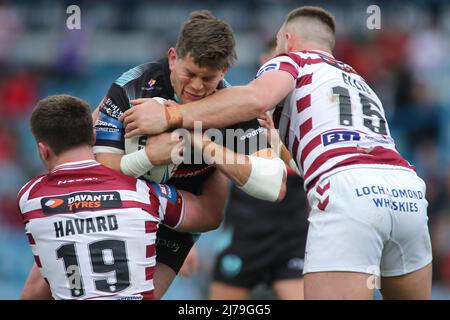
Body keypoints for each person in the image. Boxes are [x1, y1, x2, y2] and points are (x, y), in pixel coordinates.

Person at [120, 6, 433, 299]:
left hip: (347, 189)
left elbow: (255, 98)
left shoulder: (292, 60)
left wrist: (172, 117)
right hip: (406, 191)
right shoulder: (357, 80)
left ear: (287, 39)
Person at [92, 10, 286, 299]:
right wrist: (149, 157)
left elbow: (275, 186)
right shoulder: (133, 86)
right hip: (120, 205)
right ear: (173, 58)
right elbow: (100, 171)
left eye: (208, 79)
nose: (197, 86)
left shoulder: (235, 110)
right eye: (190, 74)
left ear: (224, 73)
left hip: (178, 221)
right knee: (39, 288)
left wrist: (200, 138)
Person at [18, 95, 226, 300]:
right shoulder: (143, 193)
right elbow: (209, 214)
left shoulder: (30, 198)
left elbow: (35, 290)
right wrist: (211, 153)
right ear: (93, 137)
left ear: (43, 151)